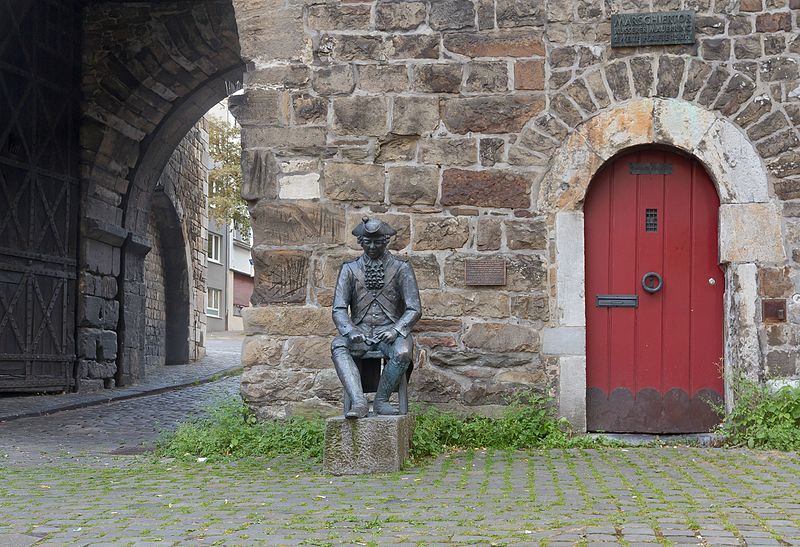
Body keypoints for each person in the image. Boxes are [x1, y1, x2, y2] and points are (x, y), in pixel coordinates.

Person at [331, 217, 421, 418]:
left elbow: (414, 308)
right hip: (360, 332)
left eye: (377, 242)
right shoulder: (349, 269)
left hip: (389, 330)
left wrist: (396, 330)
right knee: (338, 346)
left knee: (403, 352)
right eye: (367, 242)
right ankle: (359, 401)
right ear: (360, 242)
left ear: (386, 241)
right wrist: (351, 330)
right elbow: (338, 309)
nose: (372, 247)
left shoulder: (401, 268)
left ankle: (381, 400)